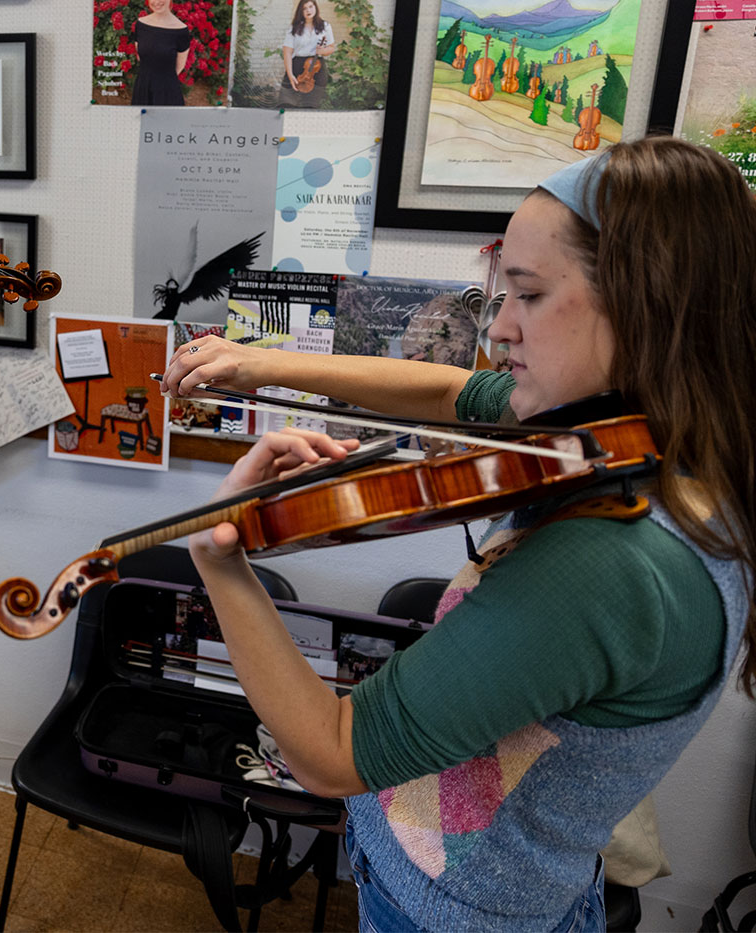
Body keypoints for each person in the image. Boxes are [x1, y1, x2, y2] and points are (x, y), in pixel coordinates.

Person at [161, 136, 756, 931]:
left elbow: (332, 750)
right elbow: (451, 391)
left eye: (528, 294)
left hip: (455, 915)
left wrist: (220, 559)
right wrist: (264, 364)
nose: (499, 327)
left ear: (651, 303)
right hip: (505, 888)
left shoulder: (613, 557)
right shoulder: (666, 447)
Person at [129, 0, 191, 107]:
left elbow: (179, 67)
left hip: (167, 92)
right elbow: (141, 56)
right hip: (142, 88)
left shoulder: (181, 31)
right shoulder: (141, 24)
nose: (157, 2)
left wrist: (160, 81)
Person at [278, 0, 336, 108]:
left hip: (316, 68)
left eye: (310, 6)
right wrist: (290, 75)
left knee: (310, 106)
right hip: (296, 66)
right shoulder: (294, 28)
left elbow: (331, 48)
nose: (308, 10)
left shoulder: (325, 26)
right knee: (286, 104)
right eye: (304, 8)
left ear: (315, 7)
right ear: (301, 11)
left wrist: (322, 51)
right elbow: (287, 52)